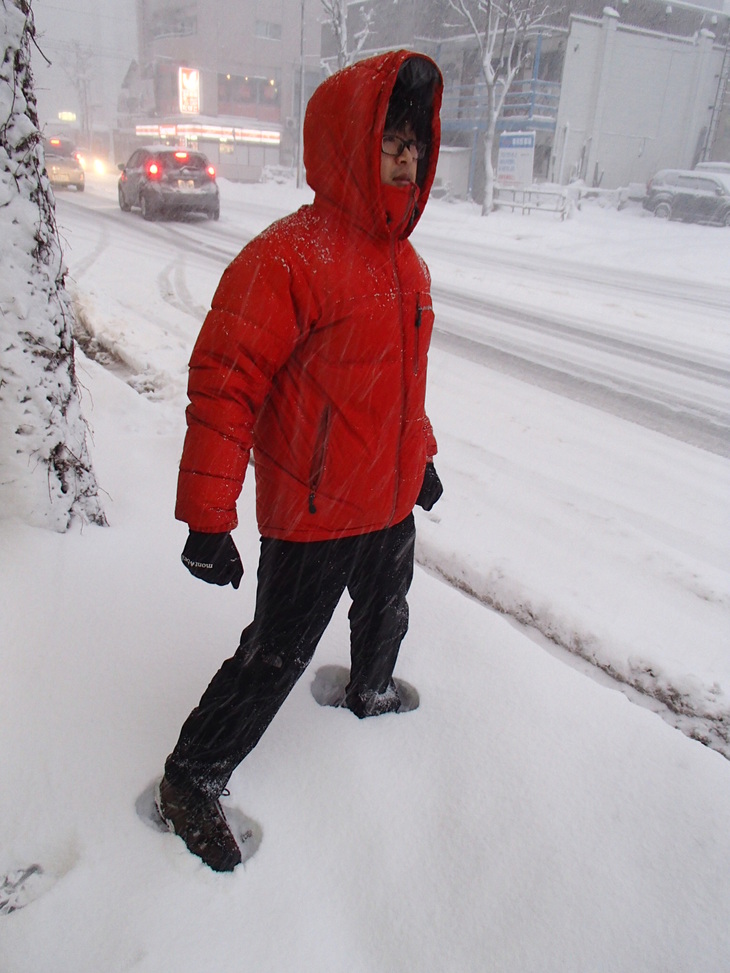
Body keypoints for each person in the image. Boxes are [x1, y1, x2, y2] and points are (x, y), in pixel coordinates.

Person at [156, 50, 445, 872]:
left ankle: (371, 692)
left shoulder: (406, 265)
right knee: (276, 653)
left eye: (415, 143)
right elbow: (224, 385)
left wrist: (418, 459)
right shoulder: (289, 256)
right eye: (392, 139)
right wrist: (208, 517)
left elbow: (402, 392)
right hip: (315, 512)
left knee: (387, 613)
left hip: (386, 503)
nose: (406, 157)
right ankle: (193, 776)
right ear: (350, 141)